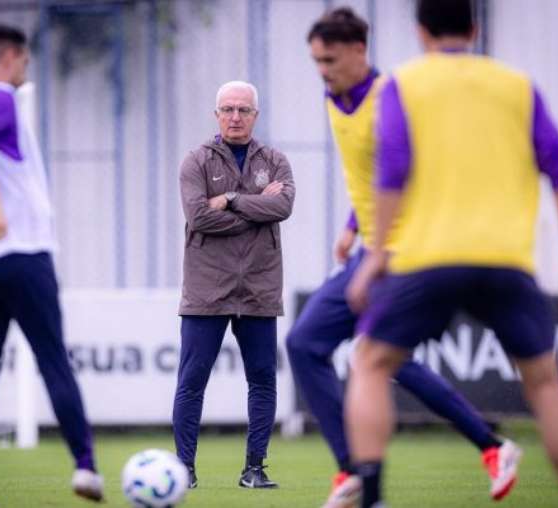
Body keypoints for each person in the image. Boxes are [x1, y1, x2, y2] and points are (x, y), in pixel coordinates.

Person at [344, 1, 558, 507]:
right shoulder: (517, 86)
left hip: (428, 259)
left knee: (371, 363)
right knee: (546, 384)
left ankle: (371, 496)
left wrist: (374, 255)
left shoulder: (404, 85)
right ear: (475, 28)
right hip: (505, 260)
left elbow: (392, 170)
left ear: (420, 32)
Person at [287, 8, 521, 507]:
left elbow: (411, 172)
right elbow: (373, 172)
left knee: (375, 357)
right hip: (369, 248)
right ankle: (481, 448)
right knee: (308, 344)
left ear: (357, 50)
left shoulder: (393, 97)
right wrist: (353, 227)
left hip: (405, 249)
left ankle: (375, 475)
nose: (322, 70)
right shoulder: (334, 96)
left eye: (329, 59)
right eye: (315, 61)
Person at [0, 24, 103, 508]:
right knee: (52, 357)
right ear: (11, 56)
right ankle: (86, 467)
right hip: (18, 251)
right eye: (25, 62)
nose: (23, 71)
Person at [174, 80, 295, 490]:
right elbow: (199, 218)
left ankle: (254, 469)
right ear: (216, 115)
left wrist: (229, 199)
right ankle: (184, 470)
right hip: (206, 289)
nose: (235, 116)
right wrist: (257, 204)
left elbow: (284, 206)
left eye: (243, 110)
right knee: (192, 381)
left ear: (255, 115)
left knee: (262, 379)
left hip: (260, 288)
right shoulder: (195, 161)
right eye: (227, 109)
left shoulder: (275, 160)